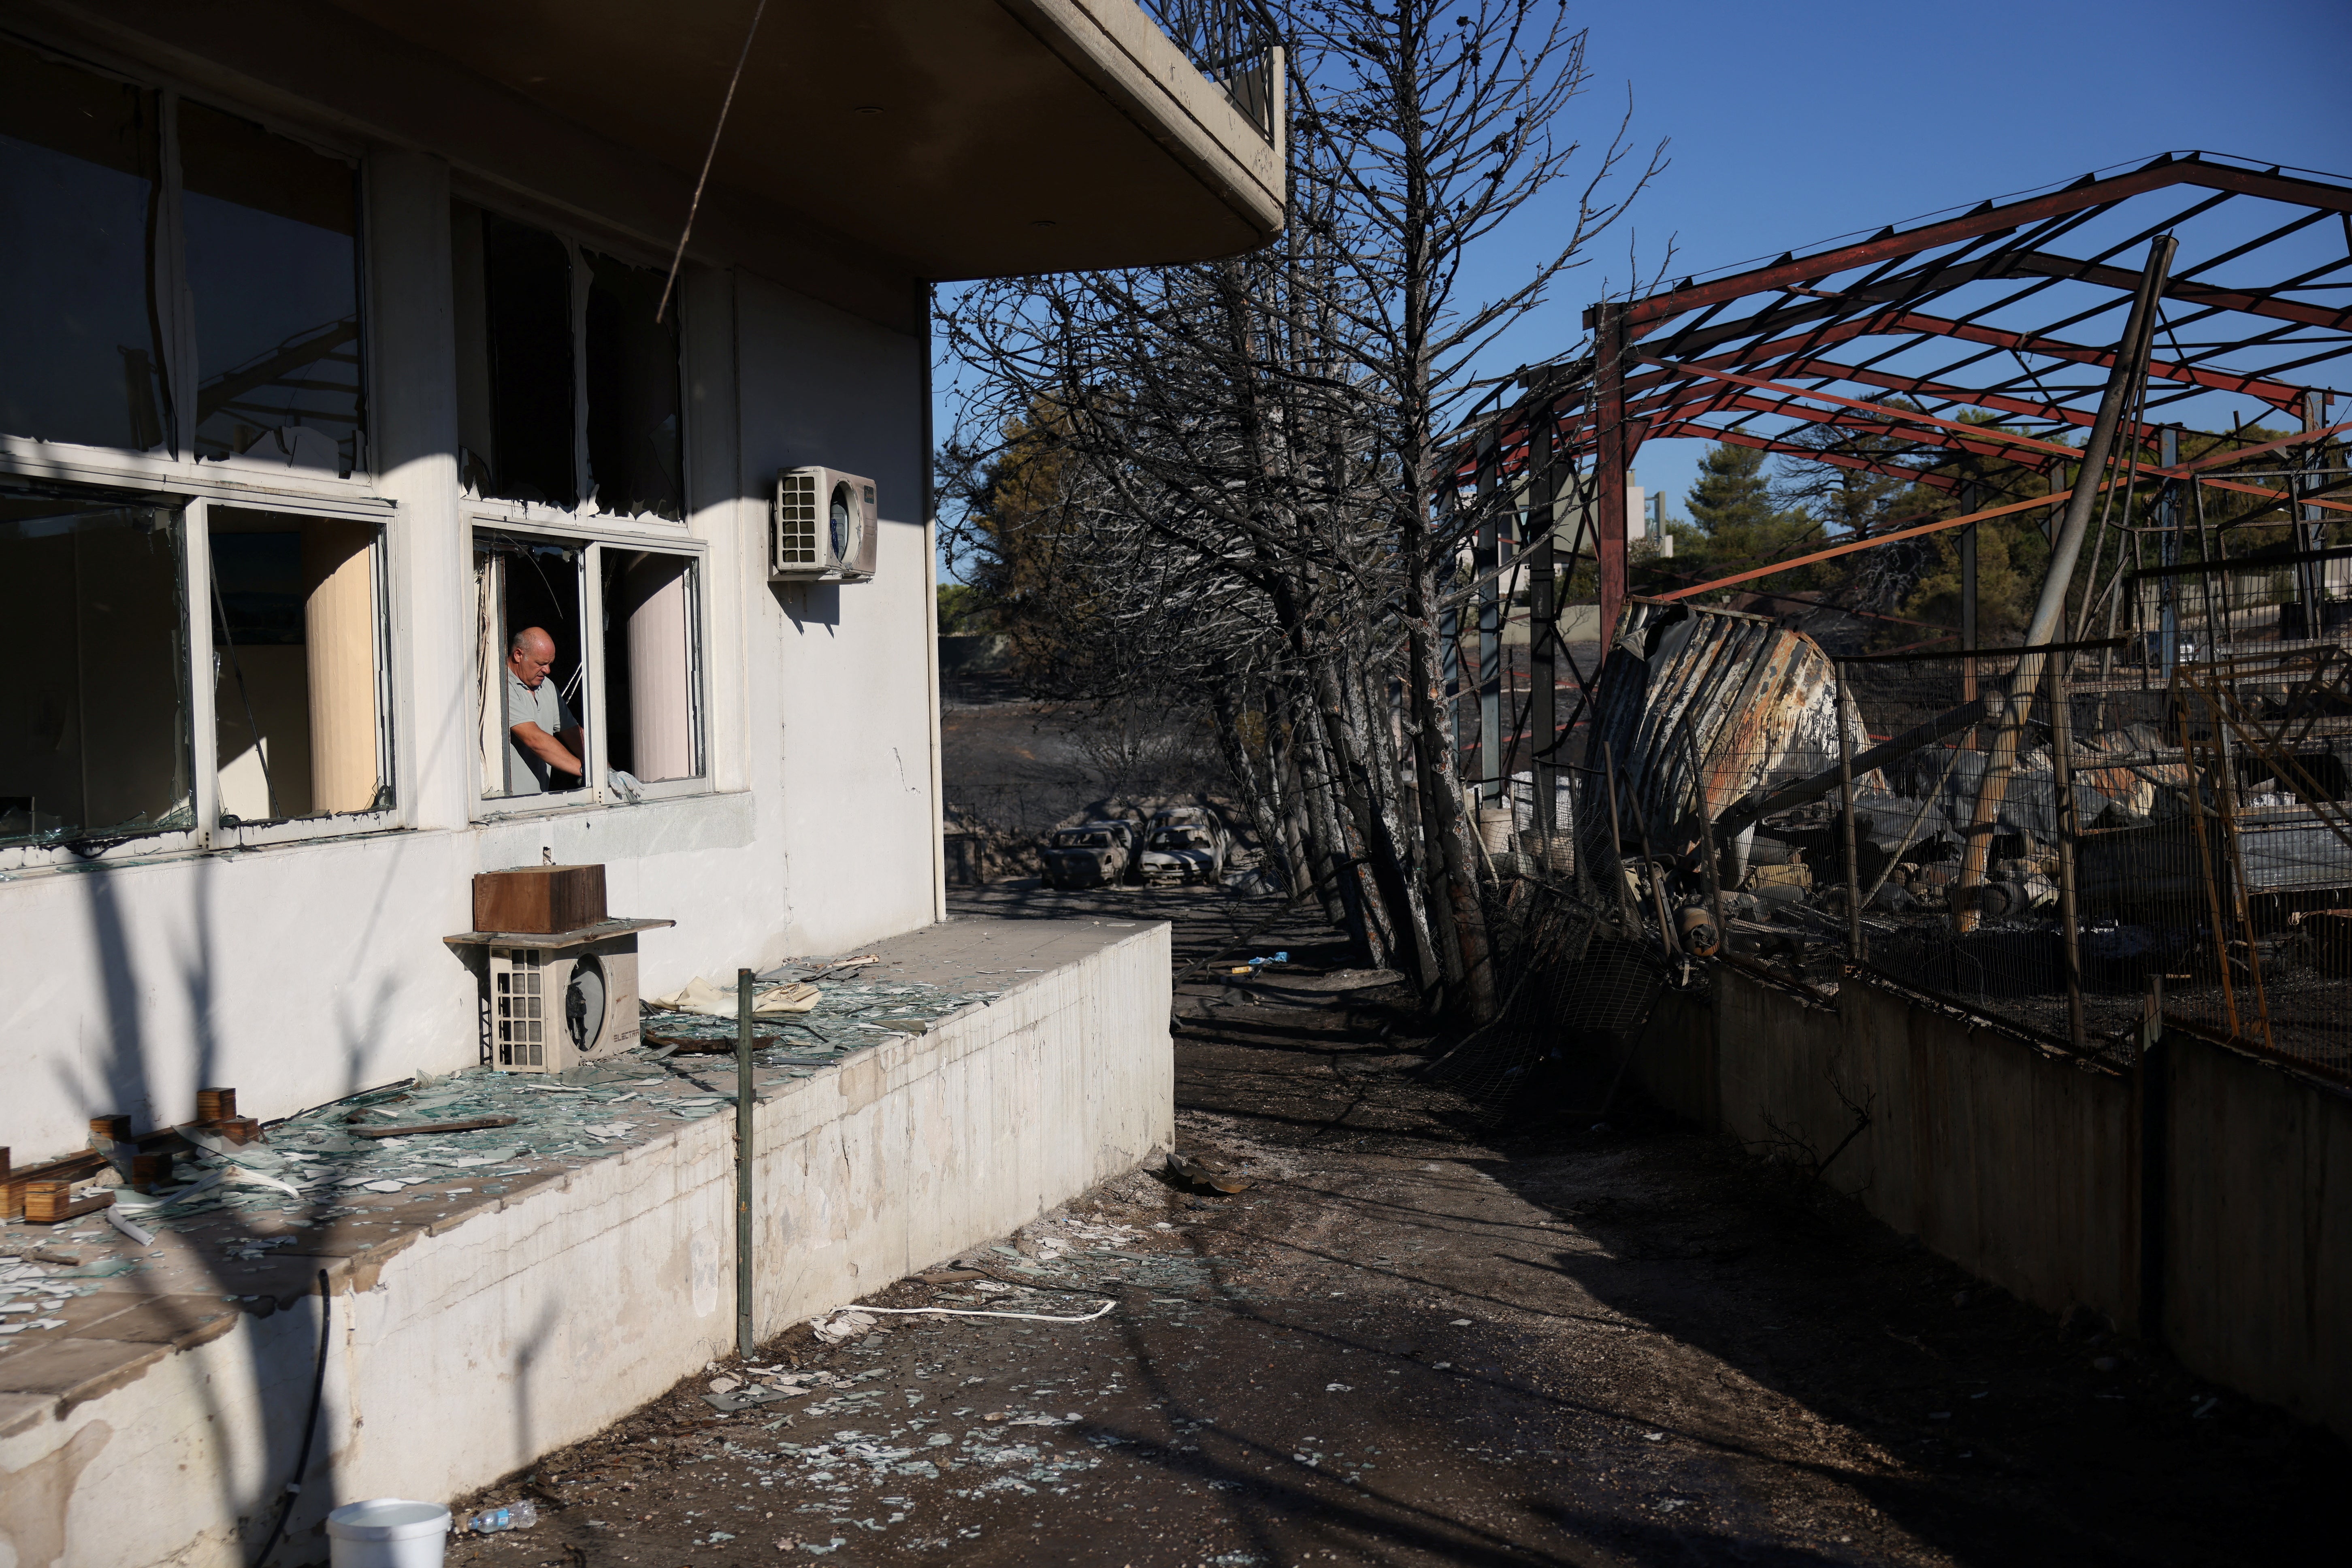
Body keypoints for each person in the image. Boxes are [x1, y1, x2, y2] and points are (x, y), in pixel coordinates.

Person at [503, 626, 584, 795]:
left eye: (549, 664)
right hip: (507, 809)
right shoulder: (501, 686)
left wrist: (607, 771)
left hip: (539, 803)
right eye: (541, 664)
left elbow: (575, 734)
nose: (547, 671)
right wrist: (588, 771)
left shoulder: (546, 686)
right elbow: (535, 740)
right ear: (518, 655)